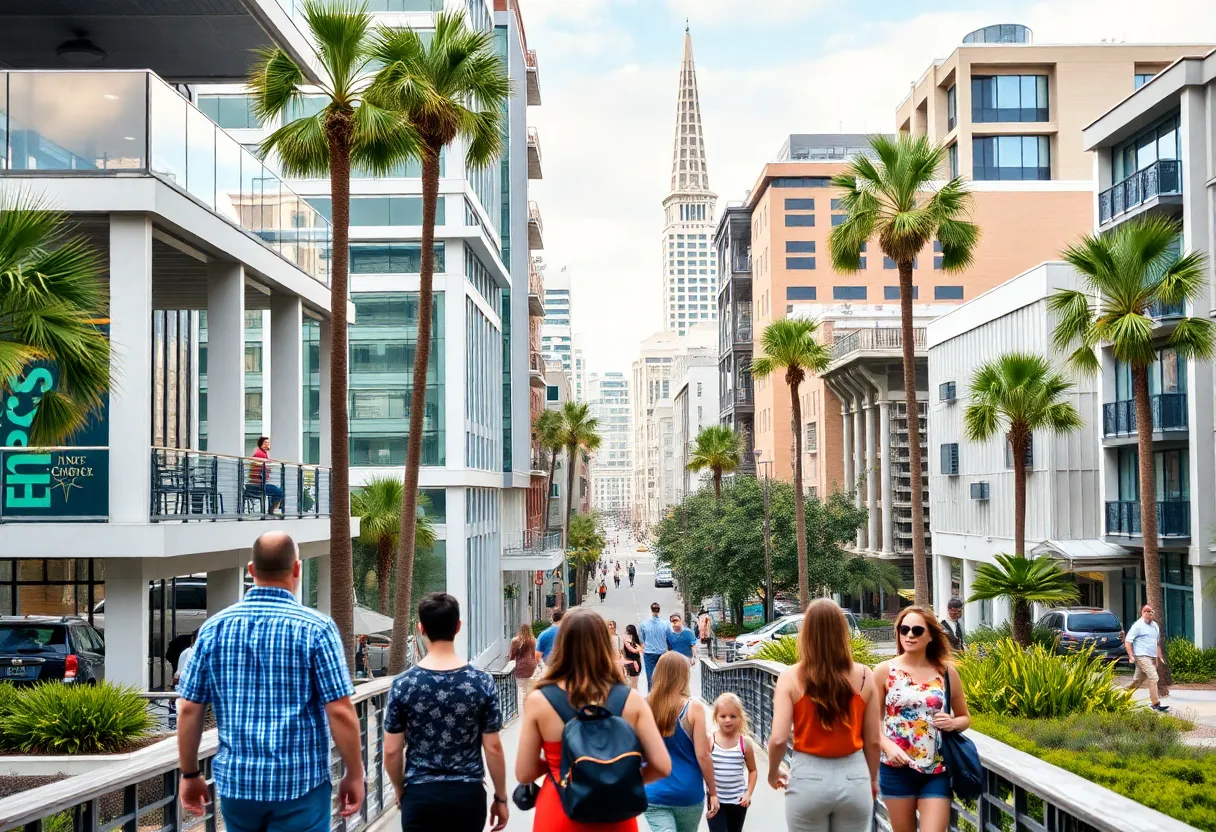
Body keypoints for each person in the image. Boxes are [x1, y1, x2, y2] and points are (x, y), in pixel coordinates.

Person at [176, 531, 364, 831]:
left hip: (239, 786)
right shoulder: (317, 629)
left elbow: (188, 708)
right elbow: (340, 710)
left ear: (251, 569)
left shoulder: (214, 629)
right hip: (301, 784)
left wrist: (189, 774)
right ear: (297, 569)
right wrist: (354, 774)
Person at [515, 608, 672, 831]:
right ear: (604, 644)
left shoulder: (539, 700)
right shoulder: (632, 700)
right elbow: (662, 766)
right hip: (616, 813)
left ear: (562, 644)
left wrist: (555, 762)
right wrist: (618, 782)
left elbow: (524, 772)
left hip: (560, 809)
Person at [384, 593, 507, 832]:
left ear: (421, 628)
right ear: (458, 626)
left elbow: (391, 751)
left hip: (420, 795)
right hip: (467, 794)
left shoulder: (403, 684)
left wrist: (401, 790)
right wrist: (500, 798)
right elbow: (493, 747)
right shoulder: (481, 682)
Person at [768, 599, 881, 832]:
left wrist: (773, 772)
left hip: (808, 778)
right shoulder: (864, 676)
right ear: (842, 632)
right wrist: (871, 779)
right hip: (854, 777)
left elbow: (778, 739)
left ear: (806, 632)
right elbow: (873, 741)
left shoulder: (790, 677)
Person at [874, 607, 971, 832]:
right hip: (896, 769)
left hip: (937, 769)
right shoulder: (883, 671)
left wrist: (953, 723)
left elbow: (965, 717)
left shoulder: (946, 672)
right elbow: (870, 722)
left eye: (917, 630)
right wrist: (888, 746)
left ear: (930, 636)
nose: (909, 635)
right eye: (904, 629)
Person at [644, 652, 718, 832]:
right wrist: (713, 791)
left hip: (653, 793)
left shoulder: (644, 706)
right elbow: (703, 755)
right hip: (688, 793)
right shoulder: (693, 709)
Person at [707, 693, 756, 832]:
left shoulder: (745, 742)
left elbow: (753, 770)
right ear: (716, 717)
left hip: (738, 802)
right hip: (716, 800)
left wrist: (748, 794)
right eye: (723, 716)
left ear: (740, 717)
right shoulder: (710, 740)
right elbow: (703, 768)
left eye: (733, 716)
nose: (728, 720)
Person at [1126, 604, 1169, 712]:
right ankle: (1155, 703)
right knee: (1154, 677)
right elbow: (1128, 641)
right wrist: (1131, 655)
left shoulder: (1155, 626)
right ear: (1142, 613)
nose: (1149, 613)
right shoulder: (1137, 626)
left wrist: (1159, 657)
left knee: (1138, 681)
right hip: (1141, 656)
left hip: (1152, 657)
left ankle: (1123, 696)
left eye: (1151, 611)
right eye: (1147, 611)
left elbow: (1156, 643)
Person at [509, 623, 541, 713]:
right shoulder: (534, 640)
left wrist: (511, 658)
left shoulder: (515, 641)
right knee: (530, 690)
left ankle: (523, 711)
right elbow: (536, 654)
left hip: (521, 666)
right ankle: (531, 709)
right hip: (532, 666)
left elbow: (512, 654)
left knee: (521, 690)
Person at [249, 436, 284, 514]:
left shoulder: (263, 454)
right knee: (279, 492)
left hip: (257, 484)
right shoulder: (260, 454)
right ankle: (273, 510)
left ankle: (272, 510)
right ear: (260, 444)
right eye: (265, 443)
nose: (267, 445)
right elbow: (260, 470)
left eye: (268, 443)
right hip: (257, 485)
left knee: (276, 490)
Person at [639, 603, 670, 686]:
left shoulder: (643, 624)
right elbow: (668, 638)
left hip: (649, 653)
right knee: (663, 677)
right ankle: (662, 693)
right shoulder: (666, 624)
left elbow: (642, 639)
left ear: (651, 610)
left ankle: (652, 693)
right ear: (659, 611)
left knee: (650, 678)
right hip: (662, 652)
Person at [623, 624, 643, 690]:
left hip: (630, 663)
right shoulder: (637, 640)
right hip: (637, 663)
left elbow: (631, 650)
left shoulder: (626, 640)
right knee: (635, 685)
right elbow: (641, 650)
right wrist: (639, 650)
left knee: (629, 686)